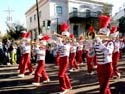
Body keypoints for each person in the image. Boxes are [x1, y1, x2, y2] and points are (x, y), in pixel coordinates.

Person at [89, 15, 114, 94]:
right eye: (99, 33)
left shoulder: (110, 43)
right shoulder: (97, 43)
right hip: (99, 67)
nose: (99, 35)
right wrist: (91, 47)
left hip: (107, 67)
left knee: (102, 89)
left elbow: (108, 52)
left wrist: (99, 43)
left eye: (101, 34)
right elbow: (91, 55)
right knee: (104, 87)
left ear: (106, 35)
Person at [58, 22, 72, 94]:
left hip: (65, 59)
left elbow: (64, 48)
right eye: (62, 36)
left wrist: (60, 42)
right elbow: (58, 50)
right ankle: (69, 86)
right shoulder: (61, 43)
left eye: (64, 36)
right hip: (61, 59)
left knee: (60, 75)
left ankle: (64, 88)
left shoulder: (68, 44)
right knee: (64, 74)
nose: (63, 37)